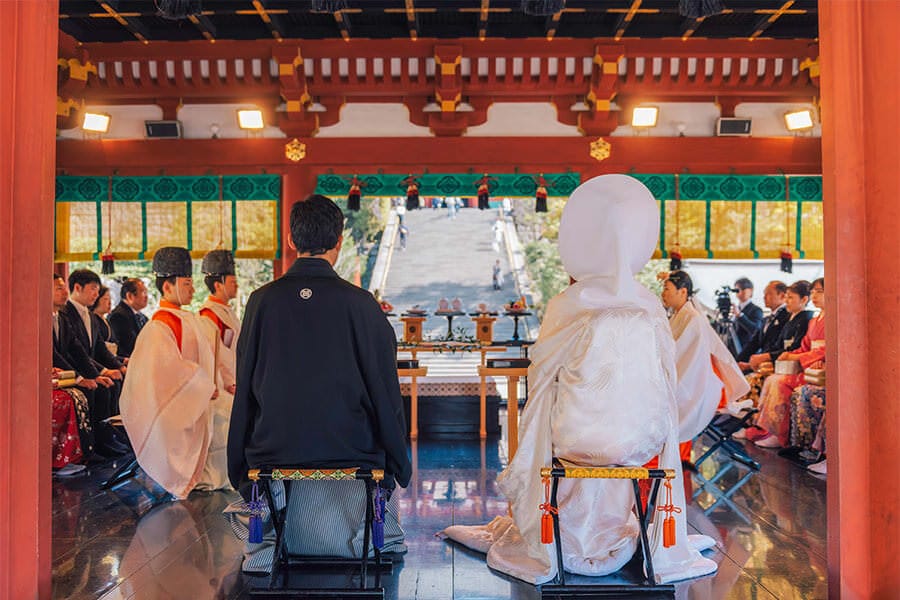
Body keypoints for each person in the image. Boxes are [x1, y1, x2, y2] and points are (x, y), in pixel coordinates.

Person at [442, 175, 717, 585]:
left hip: (575, 439)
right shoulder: (648, 304)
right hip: (638, 441)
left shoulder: (570, 302)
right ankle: (623, 526)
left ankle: (555, 528)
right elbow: (665, 379)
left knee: (547, 409)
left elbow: (541, 375)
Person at [227, 194, 411, 572]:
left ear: (291, 240)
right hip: (350, 446)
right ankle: (368, 537)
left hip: (274, 446)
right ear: (339, 242)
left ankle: (272, 540)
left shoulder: (261, 301)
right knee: (376, 435)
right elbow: (384, 389)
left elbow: (246, 384)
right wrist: (397, 458)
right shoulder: (361, 304)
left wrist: (239, 458)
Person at [119, 246, 222, 498]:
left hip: (195, 397)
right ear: (167, 286)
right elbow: (166, 371)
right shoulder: (158, 325)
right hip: (169, 405)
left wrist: (209, 385)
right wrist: (203, 386)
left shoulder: (188, 319)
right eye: (187, 284)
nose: (193, 290)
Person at [661, 270, 750, 453]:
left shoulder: (693, 319)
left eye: (667, 289)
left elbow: (685, 358)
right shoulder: (679, 315)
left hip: (696, 383)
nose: (663, 294)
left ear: (682, 292)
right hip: (684, 375)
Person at [753, 278, 826, 449]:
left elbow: (826, 349)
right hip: (810, 365)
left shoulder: (832, 319)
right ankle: (768, 429)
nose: (814, 296)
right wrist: (791, 355)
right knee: (772, 379)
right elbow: (805, 346)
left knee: (781, 382)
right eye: (813, 292)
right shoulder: (814, 321)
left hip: (821, 368)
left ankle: (781, 434)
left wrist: (798, 358)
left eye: (819, 292)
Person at [198, 249, 241, 490]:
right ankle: (221, 475)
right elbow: (215, 356)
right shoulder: (208, 316)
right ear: (218, 284)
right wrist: (228, 381)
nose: (236, 285)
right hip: (221, 385)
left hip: (233, 380)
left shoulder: (226, 312)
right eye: (232, 281)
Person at [736, 281, 790, 371]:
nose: (764, 297)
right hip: (761, 365)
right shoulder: (767, 319)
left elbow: (780, 347)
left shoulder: (787, 316)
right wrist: (736, 362)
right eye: (764, 294)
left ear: (782, 296)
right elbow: (753, 344)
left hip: (776, 367)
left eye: (769, 294)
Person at [108, 278, 149, 359]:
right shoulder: (118, 316)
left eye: (146, 292)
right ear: (129, 296)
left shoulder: (143, 317)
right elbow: (128, 347)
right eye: (143, 292)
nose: (146, 296)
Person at [730, 277, 763, 357]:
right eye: (737, 290)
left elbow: (755, 330)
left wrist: (740, 316)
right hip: (733, 350)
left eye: (743, 288)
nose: (740, 292)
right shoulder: (736, 308)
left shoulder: (756, 310)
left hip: (745, 351)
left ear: (750, 290)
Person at [91, 285, 117, 358]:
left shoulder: (106, 320)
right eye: (106, 299)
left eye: (110, 299)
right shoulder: (93, 319)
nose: (110, 303)